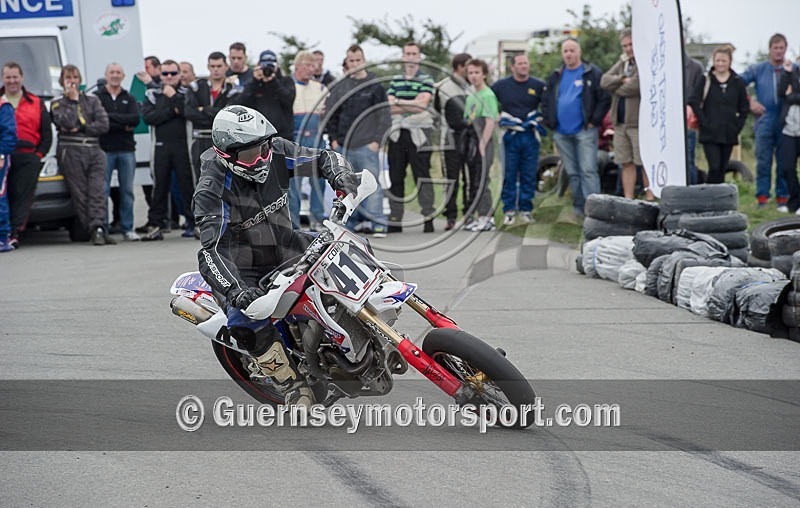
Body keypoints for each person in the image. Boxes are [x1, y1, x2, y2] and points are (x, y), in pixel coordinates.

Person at [193, 104, 361, 407]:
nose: (260, 158)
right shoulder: (212, 188)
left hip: (287, 242)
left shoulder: (273, 150)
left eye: (263, 147)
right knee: (244, 322)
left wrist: (339, 174)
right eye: (249, 154)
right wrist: (237, 291)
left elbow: (322, 157)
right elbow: (212, 249)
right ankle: (290, 383)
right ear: (226, 154)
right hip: (244, 267)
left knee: (353, 247)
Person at [326, 44, 391, 237]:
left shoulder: (375, 86)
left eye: (358, 60)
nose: (354, 64)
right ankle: (349, 224)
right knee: (347, 187)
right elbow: (332, 115)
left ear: (364, 61)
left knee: (373, 186)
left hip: (367, 145)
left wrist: (377, 141)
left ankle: (378, 223)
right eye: (351, 61)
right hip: (344, 145)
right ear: (347, 62)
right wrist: (334, 141)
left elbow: (384, 115)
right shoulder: (341, 87)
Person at [542, 38, 610, 218]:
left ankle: (595, 211)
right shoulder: (556, 75)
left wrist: (594, 120)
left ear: (579, 52)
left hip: (585, 131)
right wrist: (550, 123)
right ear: (562, 54)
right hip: (561, 133)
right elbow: (546, 100)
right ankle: (579, 208)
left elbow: (604, 98)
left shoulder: (591, 73)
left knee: (588, 170)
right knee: (572, 172)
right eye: (565, 51)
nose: (569, 54)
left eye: (572, 50)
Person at [50, 64, 113, 245]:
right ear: (62, 81)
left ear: (80, 80)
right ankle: (92, 229)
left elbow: (103, 125)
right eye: (68, 78)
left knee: (97, 191)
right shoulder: (57, 102)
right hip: (71, 150)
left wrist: (83, 127)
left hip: (94, 149)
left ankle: (99, 227)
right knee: (80, 193)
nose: (72, 81)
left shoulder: (92, 100)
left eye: (75, 77)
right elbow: (66, 122)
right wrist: (73, 101)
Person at [140, 59, 197, 241]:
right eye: (165, 73)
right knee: (159, 187)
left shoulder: (187, 92)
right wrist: (171, 111)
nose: (169, 77)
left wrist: (173, 98)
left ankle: (194, 223)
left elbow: (187, 111)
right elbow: (149, 117)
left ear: (180, 74)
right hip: (160, 146)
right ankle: (156, 224)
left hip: (183, 146)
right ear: (160, 75)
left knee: (188, 185)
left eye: (173, 73)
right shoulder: (152, 93)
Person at [740, 34, 795, 211]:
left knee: (784, 161)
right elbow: (736, 83)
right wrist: (750, 102)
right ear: (769, 49)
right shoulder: (759, 69)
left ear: (785, 49)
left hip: (787, 120)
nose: (778, 52)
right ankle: (762, 197)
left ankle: (783, 197)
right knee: (763, 160)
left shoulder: (793, 68)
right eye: (775, 48)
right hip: (765, 118)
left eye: (781, 48)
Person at [0, 62, 52, 248]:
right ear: (3, 78)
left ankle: (14, 233)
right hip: (3, 155)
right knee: (3, 195)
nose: (12, 81)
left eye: (15, 77)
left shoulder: (36, 102)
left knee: (21, 195)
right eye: (8, 77)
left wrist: (38, 156)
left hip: (27, 156)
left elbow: (47, 134)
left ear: (22, 78)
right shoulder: (0, 101)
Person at [491, 53, 546, 227]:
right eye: (520, 64)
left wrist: (541, 118)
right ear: (512, 67)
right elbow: (487, 101)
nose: (523, 66)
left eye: (526, 63)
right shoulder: (501, 86)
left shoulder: (538, 85)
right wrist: (497, 116)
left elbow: (548, 106)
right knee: (509, 173)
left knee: (529, 174)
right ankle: (508, 210)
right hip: (510, 136)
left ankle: (526, 210)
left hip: (530, 135)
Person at [386, 41, 436, 233]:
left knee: (422, 175)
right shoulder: (395, 80)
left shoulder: (426, 79)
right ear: (403, 56)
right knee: (396, 175)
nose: (411, 57)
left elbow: (422, 106)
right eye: (407, 53)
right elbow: (389, 106)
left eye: (414, 53)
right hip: (398, 133)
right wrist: (410, 103)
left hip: (420, 133)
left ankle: (428, 216)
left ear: (419, 57)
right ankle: (395, 218)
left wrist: (399, 102)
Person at [600, 28, 653, 201]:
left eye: (631, 44)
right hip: (620, 123)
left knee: (644, 163)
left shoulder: (644, 62)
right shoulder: (623, 64)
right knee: (625, 162)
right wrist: (621, 79)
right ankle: (628, 198)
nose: (628, 48)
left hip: (638, 123)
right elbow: (604, 81)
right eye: (625, 46)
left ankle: (650, 196)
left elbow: (636, 86)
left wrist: (616, 88)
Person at [689, 45, 749, 184]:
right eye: (718, 61)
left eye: (724, 61)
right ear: (713, 61)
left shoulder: (737, 82)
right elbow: (693, 101)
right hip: (710, 133)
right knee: (714, 167)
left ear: (729, 62)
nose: (720, 64)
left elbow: (744, 107)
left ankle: (720, 200)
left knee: (722, 168)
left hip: (728, 132)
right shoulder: (706, 80)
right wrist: (703, 121)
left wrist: (737, 125)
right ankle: (710, 197)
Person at [96, 63, 141, 241]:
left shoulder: (129, 98)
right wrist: (122, 124)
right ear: (106, 75)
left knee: (127, 192)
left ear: (123, 76)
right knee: (103, 191)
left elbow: (135, 119)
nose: (115, 75)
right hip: (104, 150)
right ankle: (103, 229)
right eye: (111, 72)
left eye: (118, 73)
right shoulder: (97, 97)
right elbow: (99, 120)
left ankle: (128, 228)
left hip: (126, 150)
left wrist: (110, 119)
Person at [185, 51, 240, 184]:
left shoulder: (231, 89)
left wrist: (203, 109)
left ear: (226, 67)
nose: (216, 70)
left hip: (224, 141)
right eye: (213, 66)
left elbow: (229, 115)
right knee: (201, 180)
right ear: (208, 67)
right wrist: (216, 114)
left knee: (225, 180)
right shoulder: (196, 87)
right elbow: (189, 113)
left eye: (219, 66)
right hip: (200, 140)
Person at [288, 50, 328, 230]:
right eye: (308, 65)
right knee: (292, 183)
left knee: (318, 180)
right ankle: (293, 223)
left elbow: (327, 113)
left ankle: (317, 219)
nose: (312, 69)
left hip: (315, 137)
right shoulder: (288, 86)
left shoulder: (320, 88)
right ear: (297, 66)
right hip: (295, 137)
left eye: (314, 66)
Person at [434, 53, 471, 231]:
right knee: (451, 179)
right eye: (467, 66)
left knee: (470, 178)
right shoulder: (442, 87)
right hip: (449, 140)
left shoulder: (473, 85)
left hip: (471, 138)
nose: (470, 70)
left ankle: (469, 214)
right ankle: (450, 216)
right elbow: (435, 111)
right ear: (459, 67)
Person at [462, 59, 499, 232]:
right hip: (471, 140)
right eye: (470, 73)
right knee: (474, 180)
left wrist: (483, 144)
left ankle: (487, 216)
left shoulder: (488, 95)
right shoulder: (471, 96)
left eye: (477, 72)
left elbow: (490, 121)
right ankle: (479, 216)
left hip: (483, 141)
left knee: (483, 179)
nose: (474, 76)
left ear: (484, 74)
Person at [235, 50, 295, 141]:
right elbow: (241, 103)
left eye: (271, 66)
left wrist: (273, 81)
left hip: (283, 136)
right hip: (259, 136)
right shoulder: (254, 84)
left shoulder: (286, 81)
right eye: (265, 66)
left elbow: (288, 100)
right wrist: (255, 81)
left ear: (277, 66)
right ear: (259, 66)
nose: (268, 70)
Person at [777, 58, 800, 213]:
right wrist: (786, 73)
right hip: (789, 129)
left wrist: (791, 95)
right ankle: (794, 201)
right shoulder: (792, 73)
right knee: (787, 167)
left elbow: (792, 96)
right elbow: (781, 93)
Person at [683, 37, 705, 185]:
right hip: (667, 123)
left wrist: (691, 107)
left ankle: (692, 193)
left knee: (688, 159)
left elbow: (700, 94)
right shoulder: (663, 65)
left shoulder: (696, 67)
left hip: (688, 121)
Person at [0, 97, 17, 252]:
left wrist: (2, 155)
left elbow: (9, 134)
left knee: (0, 195)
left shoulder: (4, 107)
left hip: (0, 157)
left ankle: (2, 237)